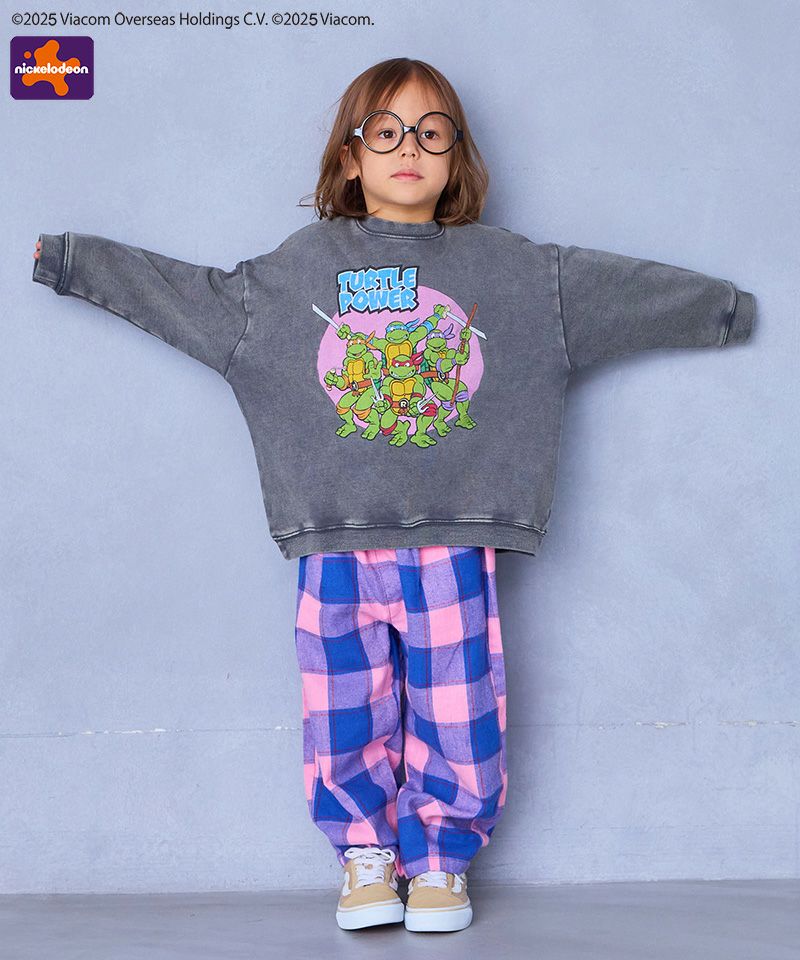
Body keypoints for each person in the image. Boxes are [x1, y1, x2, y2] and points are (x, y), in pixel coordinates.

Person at [32, 57, 756, 934]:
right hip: (332, 540)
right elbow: (189, 295)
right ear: (350, 157)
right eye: (385, 131)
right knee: (342, 706)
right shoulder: (297, 271)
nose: (409, 148)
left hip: (454, 536)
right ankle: (366, 856)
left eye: (431, 132)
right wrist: (72, 262)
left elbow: (622, 294)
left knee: (460, 702)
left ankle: (442, 859)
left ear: (456, 158)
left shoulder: (515, 272)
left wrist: (721, 308)